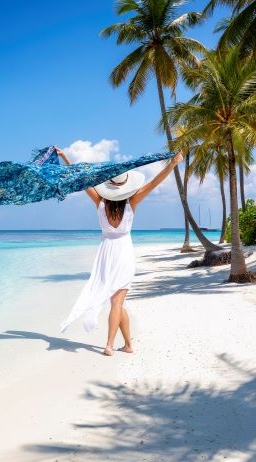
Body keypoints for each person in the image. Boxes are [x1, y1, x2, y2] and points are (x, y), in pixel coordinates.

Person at [57, 148, 183, 356]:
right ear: (126, 186)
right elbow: (154, 183)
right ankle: (122, 345)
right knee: (117, 302)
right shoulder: (132, 202)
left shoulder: (99, 202)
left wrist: (66, 158)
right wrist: (172, 164)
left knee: (116, 301)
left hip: (106, 253)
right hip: (123, 252)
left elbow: (80, 179)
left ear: (109, 187)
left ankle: (115, 344)